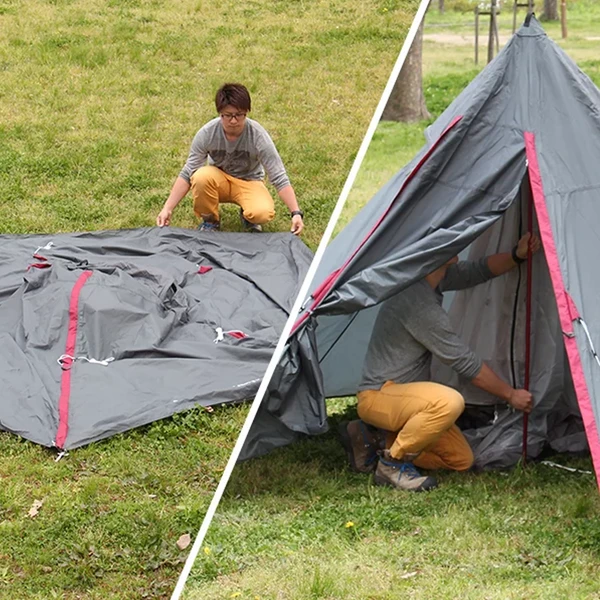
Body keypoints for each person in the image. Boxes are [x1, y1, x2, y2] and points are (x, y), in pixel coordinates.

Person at [340, 233, 540, 492]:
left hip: (405, 400)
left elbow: (477, 271)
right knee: (448, 401)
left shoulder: (433, 278)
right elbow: (465, 363)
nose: (458, 242)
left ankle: (374, 439)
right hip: (380, 395)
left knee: (461, 460)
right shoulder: (418, 303)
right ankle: (393, 463)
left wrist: (516, 255)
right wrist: (510, 395)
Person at [156, 83, 304, 234]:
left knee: (262, 213)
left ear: (247, 112)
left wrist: (296, 213)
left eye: (239, 115)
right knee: (200, 177)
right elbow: (188, 171)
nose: (233, 121)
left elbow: (278, 175)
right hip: (218, 180)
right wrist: (167, 208)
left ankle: (248, 215)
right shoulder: (207, 133)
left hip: (250, 181)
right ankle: (210, 221)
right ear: (220, 113)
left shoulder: (258, 136)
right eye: (228, 115)